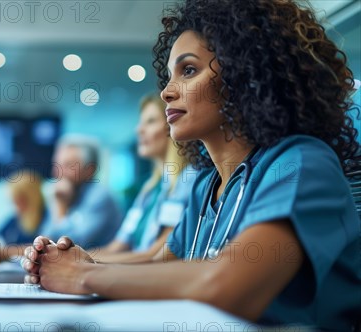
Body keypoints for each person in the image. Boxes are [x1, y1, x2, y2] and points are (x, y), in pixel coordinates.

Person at [22, 0, 361, 330]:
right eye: (170, 76)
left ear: (246, 75)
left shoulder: (301, 162)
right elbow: (160, 267)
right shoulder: (205, 186)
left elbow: (227, 285)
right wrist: (79, 262)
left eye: (188, 70)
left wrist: (82, 275)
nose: (168, 91)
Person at [91, 95, 195, 263]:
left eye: (151, 121)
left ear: (172, 123)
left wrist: (81, 264)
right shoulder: (149, 188)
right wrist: (71, 256)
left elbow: (157, 255)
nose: (139, 130)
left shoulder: (188, 178)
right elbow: (117, 247)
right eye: (141, 122)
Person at [37, 134, 122, 249]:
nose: (58, 172)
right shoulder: (62, 195)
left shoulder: (100, 196)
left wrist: (61, 209)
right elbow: (43, 239)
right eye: (57, 165)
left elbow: (74, 246)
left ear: (89, 170)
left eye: (68, 166)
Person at [0, 169, 46, 263]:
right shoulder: (14, 219)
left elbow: (40, 249)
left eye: (18, 200)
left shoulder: (46, 218)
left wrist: (1, 252)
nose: (15, 206)